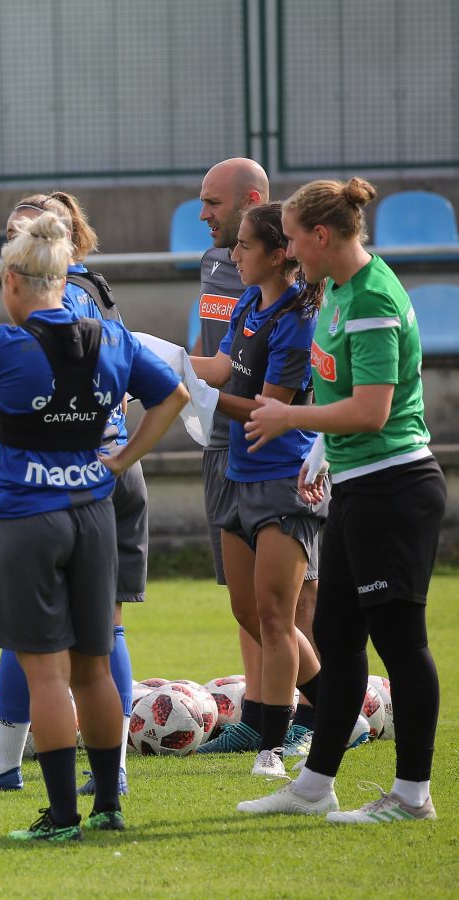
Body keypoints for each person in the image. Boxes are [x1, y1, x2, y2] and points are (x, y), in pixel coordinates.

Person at [0, 212, 188, 840]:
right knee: (94, 667)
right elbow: (175, 395)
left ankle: (62, 814)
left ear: (12, 282)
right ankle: (109, 806)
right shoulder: (113, 337)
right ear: (63, 278)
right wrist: (124, 457)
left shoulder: (5, 344)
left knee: (46, 674)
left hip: (26, 518)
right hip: (95, 515)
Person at [239, 178, 445, 823]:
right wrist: (319, 453)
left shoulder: (373, 298)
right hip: (359, 486)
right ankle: (314, 785)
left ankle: (413, 795)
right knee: (334, 633)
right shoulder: (335, 292)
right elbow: (342, 402)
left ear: (322, 236)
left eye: (295, 240)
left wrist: (288, 418)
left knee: (401, 642)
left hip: (395, 488)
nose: (291, 252)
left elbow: (372, 409)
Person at [189, 202, 325, 777]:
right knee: (250, 610)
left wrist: (194, 396)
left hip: (280, 478)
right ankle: (335, 700)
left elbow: (272, 408)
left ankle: (273, 746)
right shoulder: (248, 301)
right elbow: (219, 370)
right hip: (238, 473)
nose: (233, 254)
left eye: (244, 246)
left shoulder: (297, 318)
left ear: (277, 254)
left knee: (275, 614)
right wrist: (151, 359)